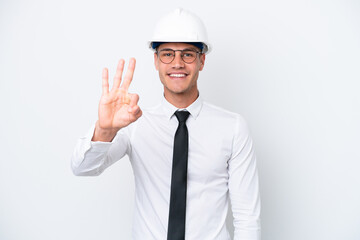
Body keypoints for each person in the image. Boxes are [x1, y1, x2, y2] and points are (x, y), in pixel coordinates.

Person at [71, 8, 261, 240]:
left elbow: (247, 218)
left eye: (188, 54)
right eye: (167, 54)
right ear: (156, 61)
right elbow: (82, 168)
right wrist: (105, 129)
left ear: (202, 60)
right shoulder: (133, 122)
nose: (177, 63)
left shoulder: (233, 128)